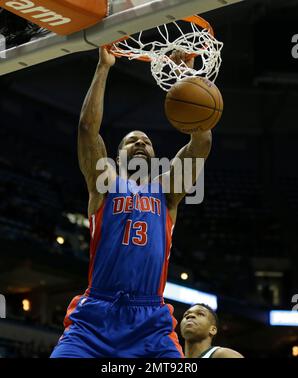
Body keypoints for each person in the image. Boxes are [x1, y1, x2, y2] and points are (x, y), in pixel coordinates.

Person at [50, 48, 212, 358]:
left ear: (153, 156)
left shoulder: (166, 189)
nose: (140, 143)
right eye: (131, 141)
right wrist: (104, 66)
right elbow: (87, 129)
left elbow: (201, 143)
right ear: (117, 155)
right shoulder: (106, 183)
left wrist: (187, 78)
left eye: (147, 142)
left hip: (150, 322)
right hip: (95, 318)